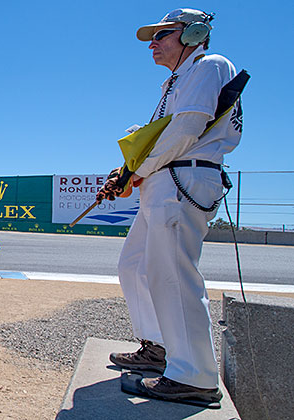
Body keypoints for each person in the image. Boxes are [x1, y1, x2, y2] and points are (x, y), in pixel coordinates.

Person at [96, 8, 242, 407]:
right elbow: (163, 135)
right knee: (134, 265)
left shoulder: (209, 65)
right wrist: (130, 169)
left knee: (172, 275)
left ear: (195, 34)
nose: (154, 43)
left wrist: (133, 171)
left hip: (182, 178)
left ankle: (193, 375)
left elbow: (184, 130)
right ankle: (159, 347)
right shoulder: (176, 81)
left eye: (164, 34)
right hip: (164, 179)